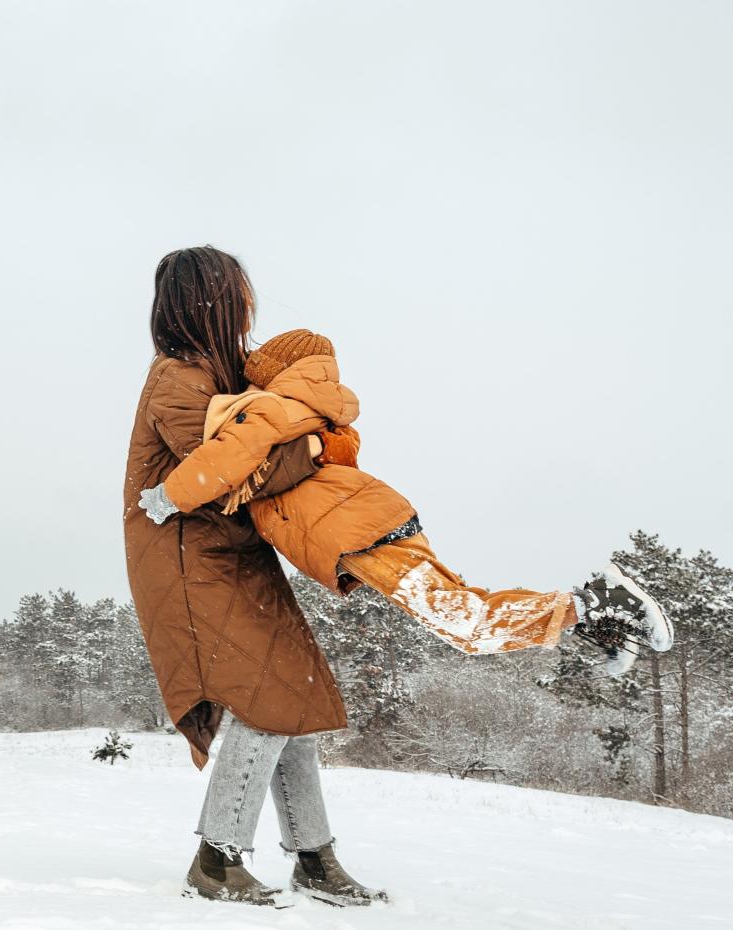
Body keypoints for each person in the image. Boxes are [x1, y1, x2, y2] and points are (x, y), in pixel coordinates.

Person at [136, 328, 674, 675]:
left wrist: (167, 496)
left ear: (276, 373)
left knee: (463, 622)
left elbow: (228, 459)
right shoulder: (309, 412)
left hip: (358, 532)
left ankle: (597, 603)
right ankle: (598, 623)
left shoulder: (274, 409)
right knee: (463, 612)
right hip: (369, 522)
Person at [122, 245, 376, 907]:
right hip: (190, 565)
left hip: (233, 559)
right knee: (268, 703)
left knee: (290, 697)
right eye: (237, 291)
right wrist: (319, 442)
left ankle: (315, 859)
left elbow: (263, 442)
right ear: (209, 300)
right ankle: (216, 858)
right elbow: (234, 471)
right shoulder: (179, 379)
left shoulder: (223, 374)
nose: (247, 303)